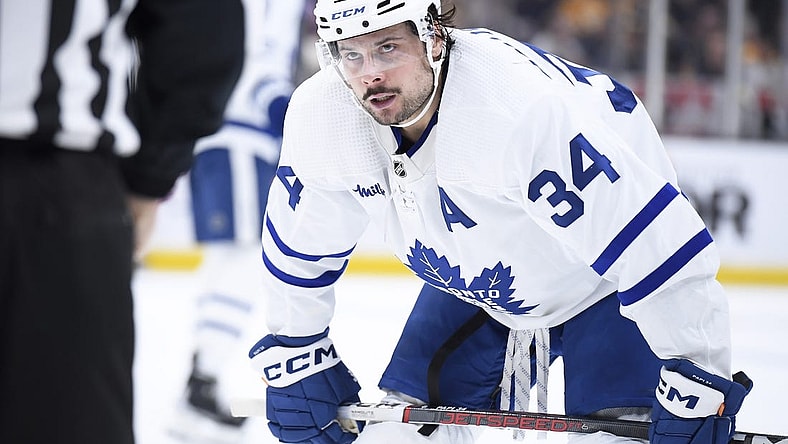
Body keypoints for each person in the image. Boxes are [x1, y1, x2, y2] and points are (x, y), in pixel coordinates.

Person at [247, 1, 753, 443]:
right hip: (481, 284)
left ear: (434, 37)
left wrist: (699, 373)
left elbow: (656, 247)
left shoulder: (515, 110)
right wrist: (297, 347)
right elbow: (299, 246)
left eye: (387, 49)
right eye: (350, 54)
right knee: (398, 436)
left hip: (604, 287)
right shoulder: (325, 113)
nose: (368, 74)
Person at [0, 1, 244, 444]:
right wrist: (152, 175)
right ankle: (203, 379)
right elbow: (203, 33)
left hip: (55, 189)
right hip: (54, 190)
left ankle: (204, 377)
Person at [166, 1, 306, 443]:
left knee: (227, 263)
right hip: (242, 136)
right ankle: (201, 383)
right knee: (247, 262)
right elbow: (255, 56)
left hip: (220, 132)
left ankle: (199, 385)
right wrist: (289, 114)